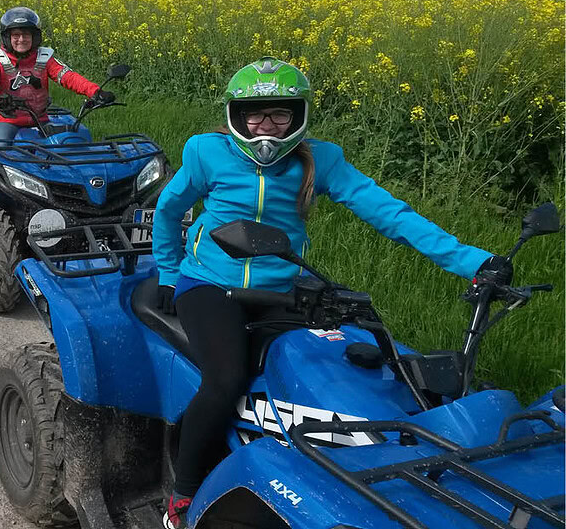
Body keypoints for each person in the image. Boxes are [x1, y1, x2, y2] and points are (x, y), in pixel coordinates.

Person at [151, 57, 511, 529]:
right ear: (235, 116)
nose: (267, 126)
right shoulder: (205, 151)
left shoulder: (322, 159)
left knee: (337, 370)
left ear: (300, 115)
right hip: (209, 285)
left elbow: (389, 213)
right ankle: (185, 496)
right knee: (225, 380)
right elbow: (168, 209)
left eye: (281, 113)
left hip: (282, 285)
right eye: (254, 114)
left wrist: (471, 262)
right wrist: (168, 274)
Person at [0, 7, 116, 142]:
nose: (21, 39)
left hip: (40, 119)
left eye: (26, 35)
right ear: (7, 38)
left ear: (34, 37)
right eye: (16, 35)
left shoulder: (44, 58)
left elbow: (68, 77)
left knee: (70, 144)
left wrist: (95, 92)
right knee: (0, 148)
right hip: (6, 120)